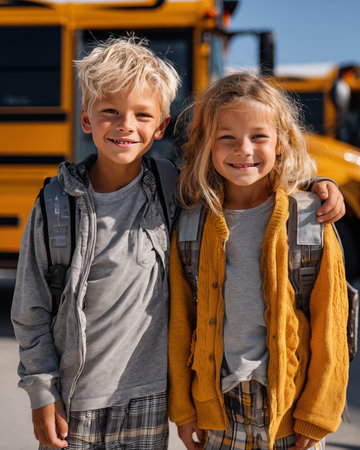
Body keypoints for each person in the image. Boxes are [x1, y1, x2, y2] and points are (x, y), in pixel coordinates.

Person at [11, 36, 180, 449]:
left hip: (149, 398)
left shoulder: (172, 188)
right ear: (86, 119)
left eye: (142, 115)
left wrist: (319, 185)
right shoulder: (55, 203)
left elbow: (246, 180)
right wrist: (42, 393)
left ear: (160, 126)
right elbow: (30, 309)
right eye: (110, 112)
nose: (126, 125)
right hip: (75, 402)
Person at [168, 72, 349, 450]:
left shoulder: (310, 220)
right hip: (216, 413)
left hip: (289, 413)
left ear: (281, 142)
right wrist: (184, 411)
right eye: (227, 137)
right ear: (205, 145)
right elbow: (179, 321)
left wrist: (317, 416)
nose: (244, 149)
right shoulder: (189, 224)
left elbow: (332, 324)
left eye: (259, 136)